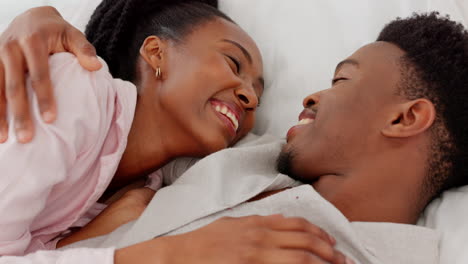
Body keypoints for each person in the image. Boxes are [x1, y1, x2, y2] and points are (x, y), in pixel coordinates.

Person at [8, 11, 466, 264]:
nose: (309, 96)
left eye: (342, 80)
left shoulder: (351, 255)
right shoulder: (251, 154)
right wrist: (40, 24)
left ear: (406, 118)